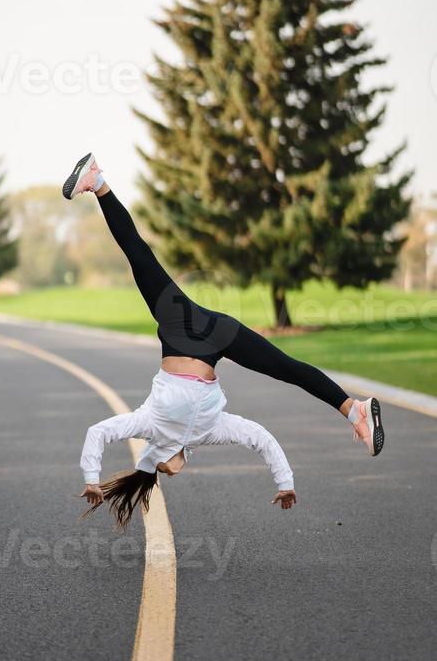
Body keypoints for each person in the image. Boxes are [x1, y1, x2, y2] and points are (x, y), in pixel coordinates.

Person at [62, 153, 384, 528]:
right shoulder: (208, 433)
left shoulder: (149, 425)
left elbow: (100, 433)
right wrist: (285, 483)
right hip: (216, 337)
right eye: (169, 471)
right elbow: (260, 437)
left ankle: (97, 181)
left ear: (155, 456)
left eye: (161, 469)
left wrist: (91, 479)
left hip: (180, 329)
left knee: (138, 254)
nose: (171, 472)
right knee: (286, 368)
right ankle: (354, 411)